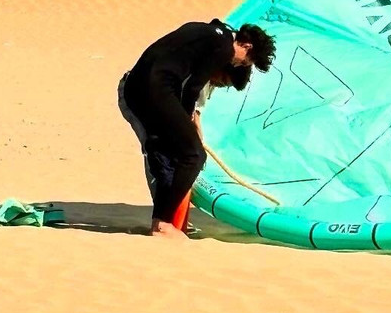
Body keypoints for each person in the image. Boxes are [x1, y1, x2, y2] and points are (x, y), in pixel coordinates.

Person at [118, 20, 276, 238]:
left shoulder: (214, 32)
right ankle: (163, 223)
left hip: (141, 86)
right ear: (246, 46)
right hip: (156, 89)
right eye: (244, 62)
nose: (238, 64)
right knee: (193, 155)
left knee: (173, 152)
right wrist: (186, 124)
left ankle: (162, 221)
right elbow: (193, 87)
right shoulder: (224, 48)